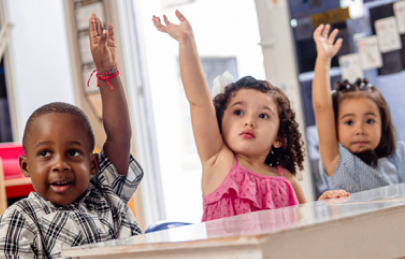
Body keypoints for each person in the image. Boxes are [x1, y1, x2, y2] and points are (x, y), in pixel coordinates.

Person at [152, 10, 348, 221]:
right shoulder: (218, 160)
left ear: (278, 137)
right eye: (238, 112)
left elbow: (307, 224)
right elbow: (199, 101)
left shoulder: (287, 179)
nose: (249, 121)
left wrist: (324, 205)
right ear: (220, 123)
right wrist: (186, 42)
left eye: (263, 116)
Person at [0, 14, 143, 258]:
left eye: (73, 153)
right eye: (45, 153)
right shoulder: (21, 218)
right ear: (25, 165)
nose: (60, 165)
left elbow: (119, 138)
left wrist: (107, 72)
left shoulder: (105, 194)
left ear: (94, 164)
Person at [312, 24, 405, 193]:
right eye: (349, 122)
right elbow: (322, 107)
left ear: (383, 125)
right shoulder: (336, 159)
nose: (360, 130)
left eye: (369, 121)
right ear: (334, 126)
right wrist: (324, 59)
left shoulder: (398, 156)